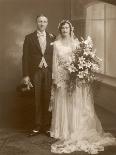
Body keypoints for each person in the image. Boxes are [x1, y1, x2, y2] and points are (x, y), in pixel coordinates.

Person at [50, 20, 116, 154]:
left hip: (74, 77)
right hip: (62, 76)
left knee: (74, 103)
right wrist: (56, 78)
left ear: (70, 29)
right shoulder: (56, 44)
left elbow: (79, 59)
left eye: (66, 28)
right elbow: (55, 63)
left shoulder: (76, 44)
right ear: (60, 30)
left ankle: (74, 129)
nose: (64, 30)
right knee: (63, 102)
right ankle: (63, 130)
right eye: (62, 28)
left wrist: (80, 73)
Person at [22, 15, 55, 136]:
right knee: (36, 99)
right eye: (40, 21)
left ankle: (46, 126)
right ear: (36, 22)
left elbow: (55, 56)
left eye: (44, 21)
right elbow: (25, 57)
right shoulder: (29, 38)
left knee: (47, 98)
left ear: (47, 23)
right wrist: (26, 75)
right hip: (35, 71)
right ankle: (36, 126)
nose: (42, 23)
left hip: (48, 71)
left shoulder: (52, 37)